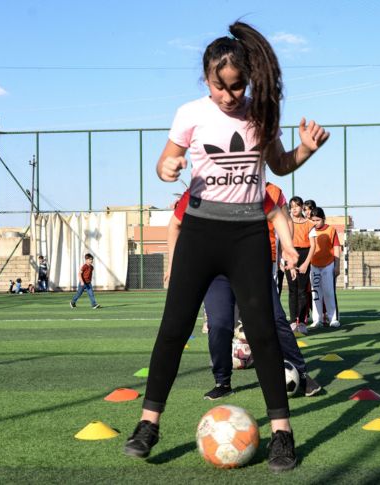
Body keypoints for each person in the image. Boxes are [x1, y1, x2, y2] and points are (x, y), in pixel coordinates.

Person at [122, 21, 329, 473]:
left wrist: (306, 150)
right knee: (173, 330)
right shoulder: (189, 113)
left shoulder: (260, 113)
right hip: (199, 232)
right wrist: (169, 167)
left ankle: (282, 435)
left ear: (249, 81)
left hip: (247, 237)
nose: (229, 95)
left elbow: (278, 164)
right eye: (221, 86)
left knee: (264, 335)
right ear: (206, 79)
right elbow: (164, 162)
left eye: (237, 86)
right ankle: (148, 424)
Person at [167, 187, 322, 401]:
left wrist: (287, 248)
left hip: (254, 262)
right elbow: (176, 224)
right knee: (219, 324)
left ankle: (302, 375)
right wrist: (173, 265)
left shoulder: (266, 190)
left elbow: (284, 219)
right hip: (214, 269)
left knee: (275, 318)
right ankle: (222, 381)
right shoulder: (205, 188)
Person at [307, 207, 342, 328]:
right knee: (315, 293)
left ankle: (333, 318)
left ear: (323, 219)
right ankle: (317, 320)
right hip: (314, 265)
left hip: (328, 265)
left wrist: (337, 265)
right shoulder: (310, 230)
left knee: (329, 292)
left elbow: (337, 248)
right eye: (313, 220)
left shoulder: (331, 230)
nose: (315, 222)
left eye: (317, 220)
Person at [285, 196, 315, 334]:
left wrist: (306, 263)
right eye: (292, 206)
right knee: (292, 290)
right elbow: (284, 243)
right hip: (291, 254)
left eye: (296, 206)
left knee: (302, 291)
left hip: (304, 255)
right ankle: (292, 321)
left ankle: (302, 322)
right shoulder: (286, 222)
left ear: (302, 207)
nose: (294, 209)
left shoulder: (309, 223)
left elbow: (313, 246)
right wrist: (288, 263)